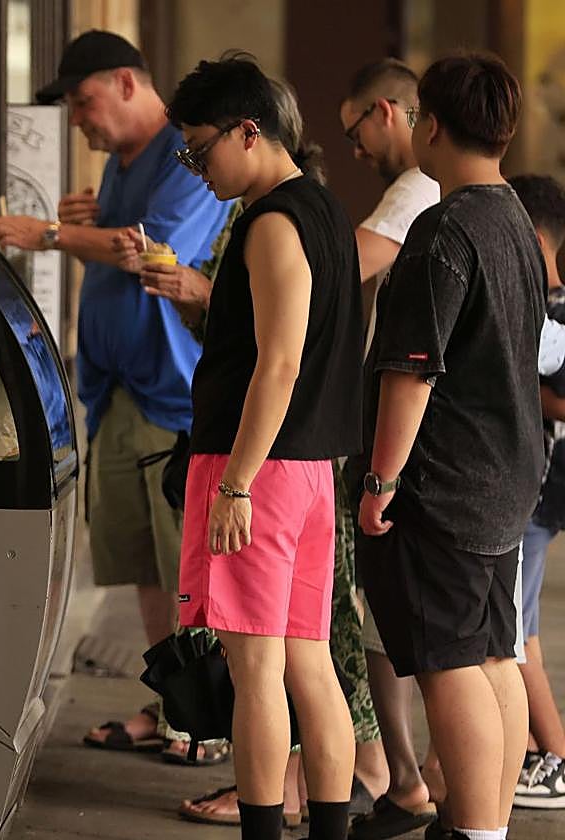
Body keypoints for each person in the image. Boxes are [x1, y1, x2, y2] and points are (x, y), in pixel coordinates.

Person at [135, 77, 378, 829]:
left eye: (199, 148)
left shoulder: (272, 222)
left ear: (248, 131)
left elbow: (279, 362)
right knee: (310, 665)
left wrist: (234, 484)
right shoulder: (326, 213)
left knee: (258, 673)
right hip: (307, 470)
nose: (193, 166)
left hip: (259, 471)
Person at [0, 30, 232, 762]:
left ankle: (212, 723)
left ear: (128, 82)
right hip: (116, 396)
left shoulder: (187, 158)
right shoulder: (122, 168)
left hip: (175, 398)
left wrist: (52, 235)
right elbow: (122, 233)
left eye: (84, 100)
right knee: (144, 571)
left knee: (189, 572)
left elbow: (150, 248)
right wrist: (87, 224)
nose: (77, 121)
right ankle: (174, 708)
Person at [357, 53, 544, 840]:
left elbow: (410, 374)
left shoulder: (445, 228)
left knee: (448, 663)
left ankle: (471, 829)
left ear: (430, 124)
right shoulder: (515, 222)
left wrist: (379, 480)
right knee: (495, 655)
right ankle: (485, 827)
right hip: (508, 474)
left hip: (445, 481)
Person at [335, 58, 442, 840]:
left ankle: (406, 777)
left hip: (405, 446)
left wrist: (378, 474)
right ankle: (408, 777)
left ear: (389, 112)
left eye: (355, 132)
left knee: (401, 624)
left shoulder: (419, 195)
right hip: (409, 443)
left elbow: (344, 265)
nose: (355, 148)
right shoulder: (445, 198)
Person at [509, 173, 565, 810]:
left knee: (514, 630)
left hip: (541, 490)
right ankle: (531, 748)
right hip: (538, 488)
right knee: (520, 627)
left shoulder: (552, 308)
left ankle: (551, 756)